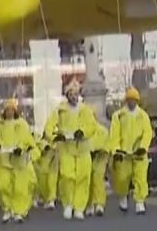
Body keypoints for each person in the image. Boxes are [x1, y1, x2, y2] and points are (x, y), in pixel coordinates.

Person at [45, 80, 97, 220]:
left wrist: (83, 132)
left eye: (76, 94)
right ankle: (68, 204)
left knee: (83, 177)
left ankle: (79, 207)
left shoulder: (85, 110)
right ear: (67, 95)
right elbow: (49, 127)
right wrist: (55, 137)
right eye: (71, 94)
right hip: (66, 148)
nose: (74, 97)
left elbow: (92, 126)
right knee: (67, 176)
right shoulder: (60, 110)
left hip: (82, 148)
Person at [110, 88, 151, 215]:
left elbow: (147, 133)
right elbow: (114, 134)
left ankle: (140, 201)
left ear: (137, 101)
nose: (131, 102)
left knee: (140, 178)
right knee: (122, 177)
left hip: (139, 153)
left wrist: (143, 147)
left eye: (134, 100)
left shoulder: (143, 115)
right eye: (129, 99)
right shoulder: (118, 115)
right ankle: (123, 196)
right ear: (126, 100)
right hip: (124, 153)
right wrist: (116, 150)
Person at [0, 99, 33, 223]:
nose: (9, 112)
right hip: (4, 161)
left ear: (15, 111)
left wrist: (20, 148)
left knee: (19, 188)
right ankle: (7, 209)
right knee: (3, 185)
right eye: (7, 110)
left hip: (18, 161)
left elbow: (27, 139)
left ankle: (18, 212)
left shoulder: (22, 124)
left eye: (11, 110)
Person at [86, 118, 110, 217]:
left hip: (100, 157)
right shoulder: (82, 131)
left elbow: (107, 146)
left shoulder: (102, 131)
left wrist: (98, 151)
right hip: (86, 157)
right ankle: (89, 204)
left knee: (98, 178)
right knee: (87, 180)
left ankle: (99, 204)